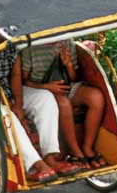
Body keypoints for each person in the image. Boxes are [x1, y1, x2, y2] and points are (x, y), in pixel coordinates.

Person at [0, 17, 79, 180]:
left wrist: (19, 104)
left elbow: (15, 73)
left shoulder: (13, 33)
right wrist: (7, 104)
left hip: (7, 88)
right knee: (7, 115)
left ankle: (50, 157)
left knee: (45, 98)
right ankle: (36, 165)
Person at [21, 40, 107, 168]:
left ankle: (87, 147)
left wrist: (68, 65)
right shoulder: (30, 49)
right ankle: (74, 150)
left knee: (96, 97)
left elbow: (74, 78)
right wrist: (46, 87)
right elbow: (23, 81)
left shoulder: (68, 44)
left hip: (66, 86)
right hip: (41, 90)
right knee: (64, 103)